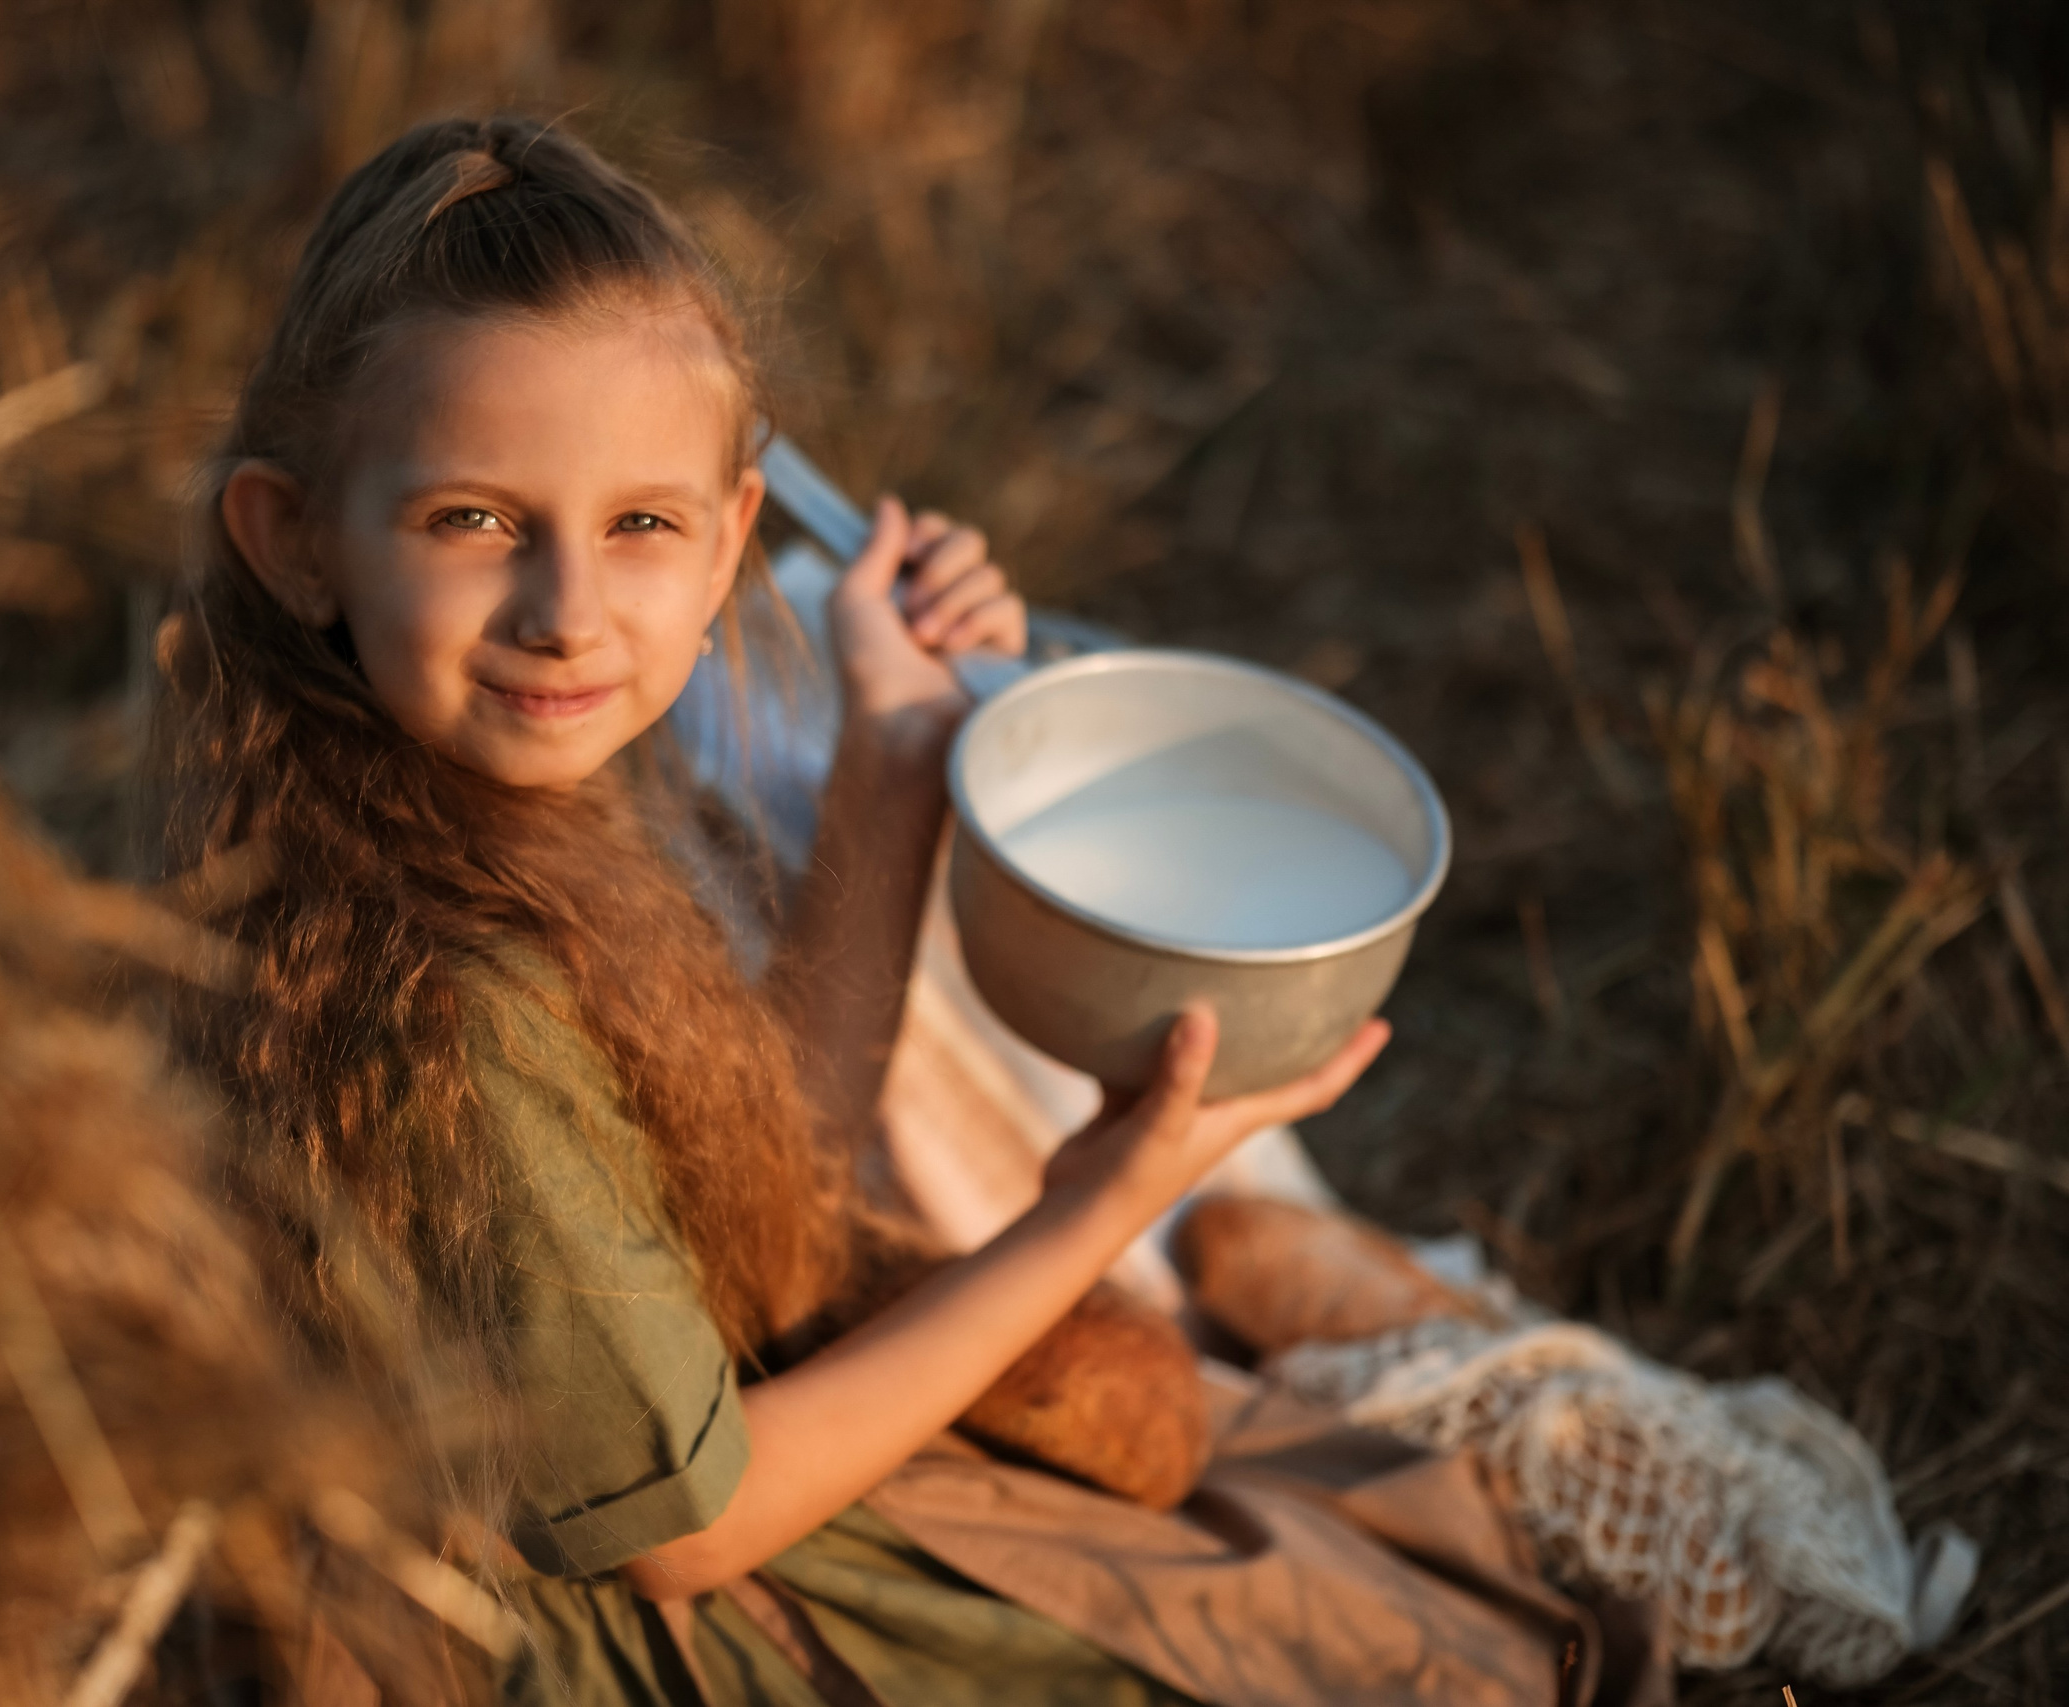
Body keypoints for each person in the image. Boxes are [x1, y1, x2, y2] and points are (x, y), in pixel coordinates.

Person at [165, 115, 1654, 1707]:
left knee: (1366, 1548)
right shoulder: (438, 997)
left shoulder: (492, 800)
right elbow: (690, 1524)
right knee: (1417, 1651)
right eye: (473, 520)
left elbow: (767, 1183)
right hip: (568, 1650)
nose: (567, 612)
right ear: (297, 539)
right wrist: (1092, 1204)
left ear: (736, 538)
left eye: (641, 525)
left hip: (679, 1504)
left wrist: (898, 750)